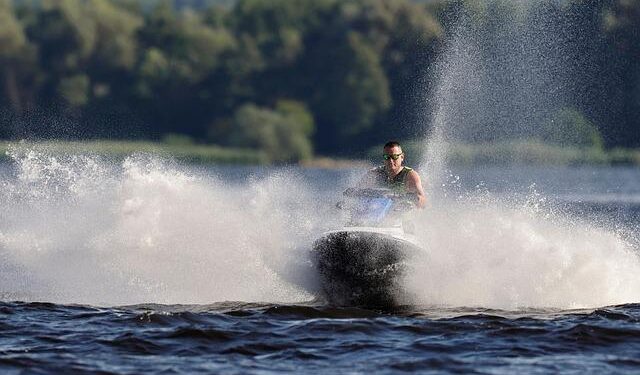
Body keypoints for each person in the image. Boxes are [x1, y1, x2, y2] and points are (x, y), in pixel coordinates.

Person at [359, 141, 426, 208]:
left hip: (400, 210)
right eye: (387, 157)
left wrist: (416, 198)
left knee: (407, 205)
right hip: (379, 208)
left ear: (402, 157)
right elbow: (357, 190)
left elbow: (422, 199)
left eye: (394, 157)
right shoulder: (375, 173)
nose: (390, 161)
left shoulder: (410, 175)